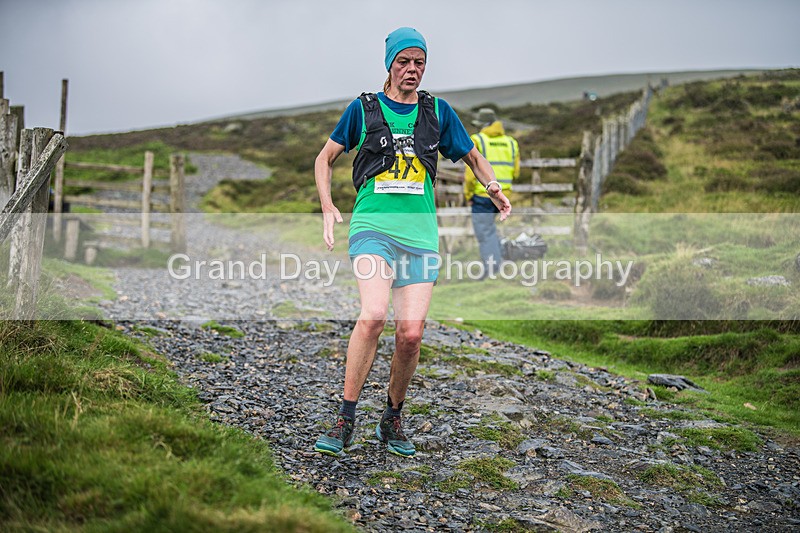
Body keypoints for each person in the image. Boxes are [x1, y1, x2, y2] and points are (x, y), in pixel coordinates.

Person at [313, 27, 512, 457]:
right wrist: (329, 206)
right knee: (373, 315)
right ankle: (345, 418)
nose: (412, 70)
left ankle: (391, 418)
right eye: (404, 62)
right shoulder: (363, 109)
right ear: (389, 64)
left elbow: (473, 155)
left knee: (410, 334)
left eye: (419, 63)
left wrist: (492, 185)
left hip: (420, 236)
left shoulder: (437, 112)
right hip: (373, 229)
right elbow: (324, 157)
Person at [463, 108, 520, 278]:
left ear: (484, 125)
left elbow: (470, 172)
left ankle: (492, 270)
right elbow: (516, 172)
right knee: (493, 229)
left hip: (483, 195)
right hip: (505, 195)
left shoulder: (478, 140)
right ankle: (500, 260)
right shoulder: (511, 142)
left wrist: (468, 195)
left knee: (484, 232)